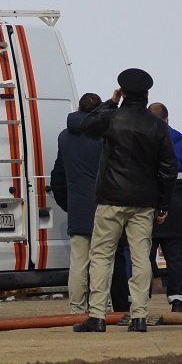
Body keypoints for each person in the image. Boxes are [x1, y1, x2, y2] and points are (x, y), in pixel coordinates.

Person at [72, 68, 177, 334]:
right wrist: (163, 204)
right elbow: (168, 168)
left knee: (101, 256)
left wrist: (111, 101)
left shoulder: (111, 117)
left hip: (111, 199)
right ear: (147, 94)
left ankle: (97, 316)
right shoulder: (156, 125)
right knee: (141, 257)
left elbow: (84, 125)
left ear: (123, 91)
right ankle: (139, 316)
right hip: (144, 202)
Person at [48, 93, 130, 313]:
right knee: (103, 261)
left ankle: (76, 308)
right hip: (106, 208)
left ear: (78, 107)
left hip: (78, 209)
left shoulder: (64, 137)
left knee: (78, 263)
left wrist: (68, 203)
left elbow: (58, 176)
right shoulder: (104, 137)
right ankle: (100, 306)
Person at [148, 102, 182, 313]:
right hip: (176, 205)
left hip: (147, 205)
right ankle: (178, 301)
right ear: (167, 119)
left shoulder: (140, 142)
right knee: (177, 257)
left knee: (142, 256)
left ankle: (138, 301)